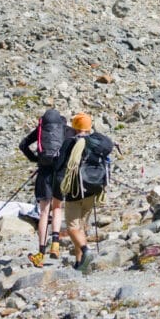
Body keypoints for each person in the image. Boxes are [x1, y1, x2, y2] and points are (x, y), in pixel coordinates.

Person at [56, 112, 113, 273]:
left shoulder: (70, 143)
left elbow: (59, 166)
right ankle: (80, 262)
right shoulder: (97, 142)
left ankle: (85, 250)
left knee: (73, 227)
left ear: (74, 127)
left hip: (75, 191)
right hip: (93, 189)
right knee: (81, 226)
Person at [19, 108, 74, 267]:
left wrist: (35, 159)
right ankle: (55, 244)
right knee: (57, 208)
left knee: (44, 212)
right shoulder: (66, 130)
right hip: (60, 173)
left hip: (44, 173)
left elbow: (23, 145)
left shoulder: (40, 130)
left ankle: (41, 253)